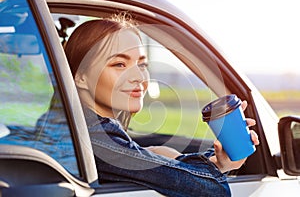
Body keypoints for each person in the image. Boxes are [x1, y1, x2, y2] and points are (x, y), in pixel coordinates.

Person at [64, 14, 259, 197]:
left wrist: (216, 161)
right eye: (119, 65)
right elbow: (211, 190)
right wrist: (200, 164)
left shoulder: (82, 131)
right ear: (80, 77)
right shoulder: (96, 139)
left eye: (142, 65)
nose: (139, 77)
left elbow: (175, 175)